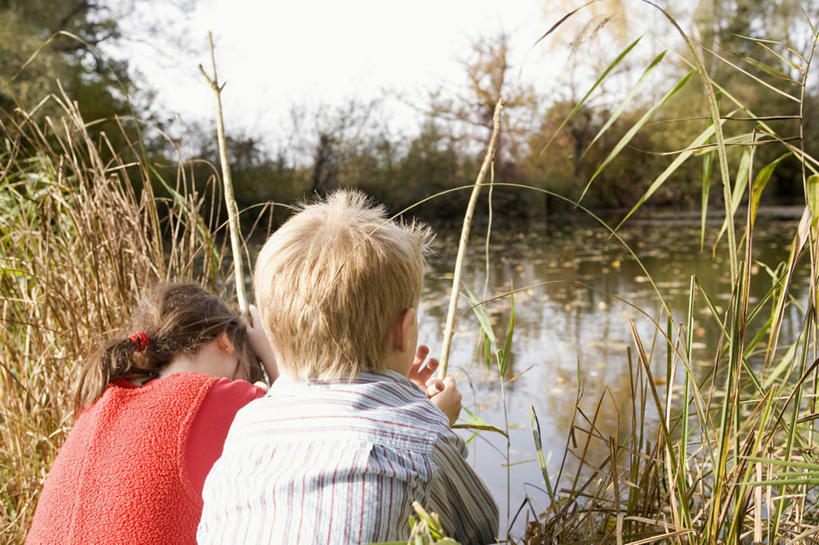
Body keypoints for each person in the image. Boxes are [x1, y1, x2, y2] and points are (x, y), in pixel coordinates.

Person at [198, 190, 499, 545]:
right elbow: (481, 530)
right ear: (404, 330)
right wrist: (429, 420)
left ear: (274, 337)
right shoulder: (424, 437)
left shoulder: (247, 427)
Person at [26, 283, 277, 545]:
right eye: (249, 365)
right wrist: (273, 359)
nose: (249, 383)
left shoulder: (100, 404)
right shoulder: (208, 397)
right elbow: (299, 429)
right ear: (226, 342)